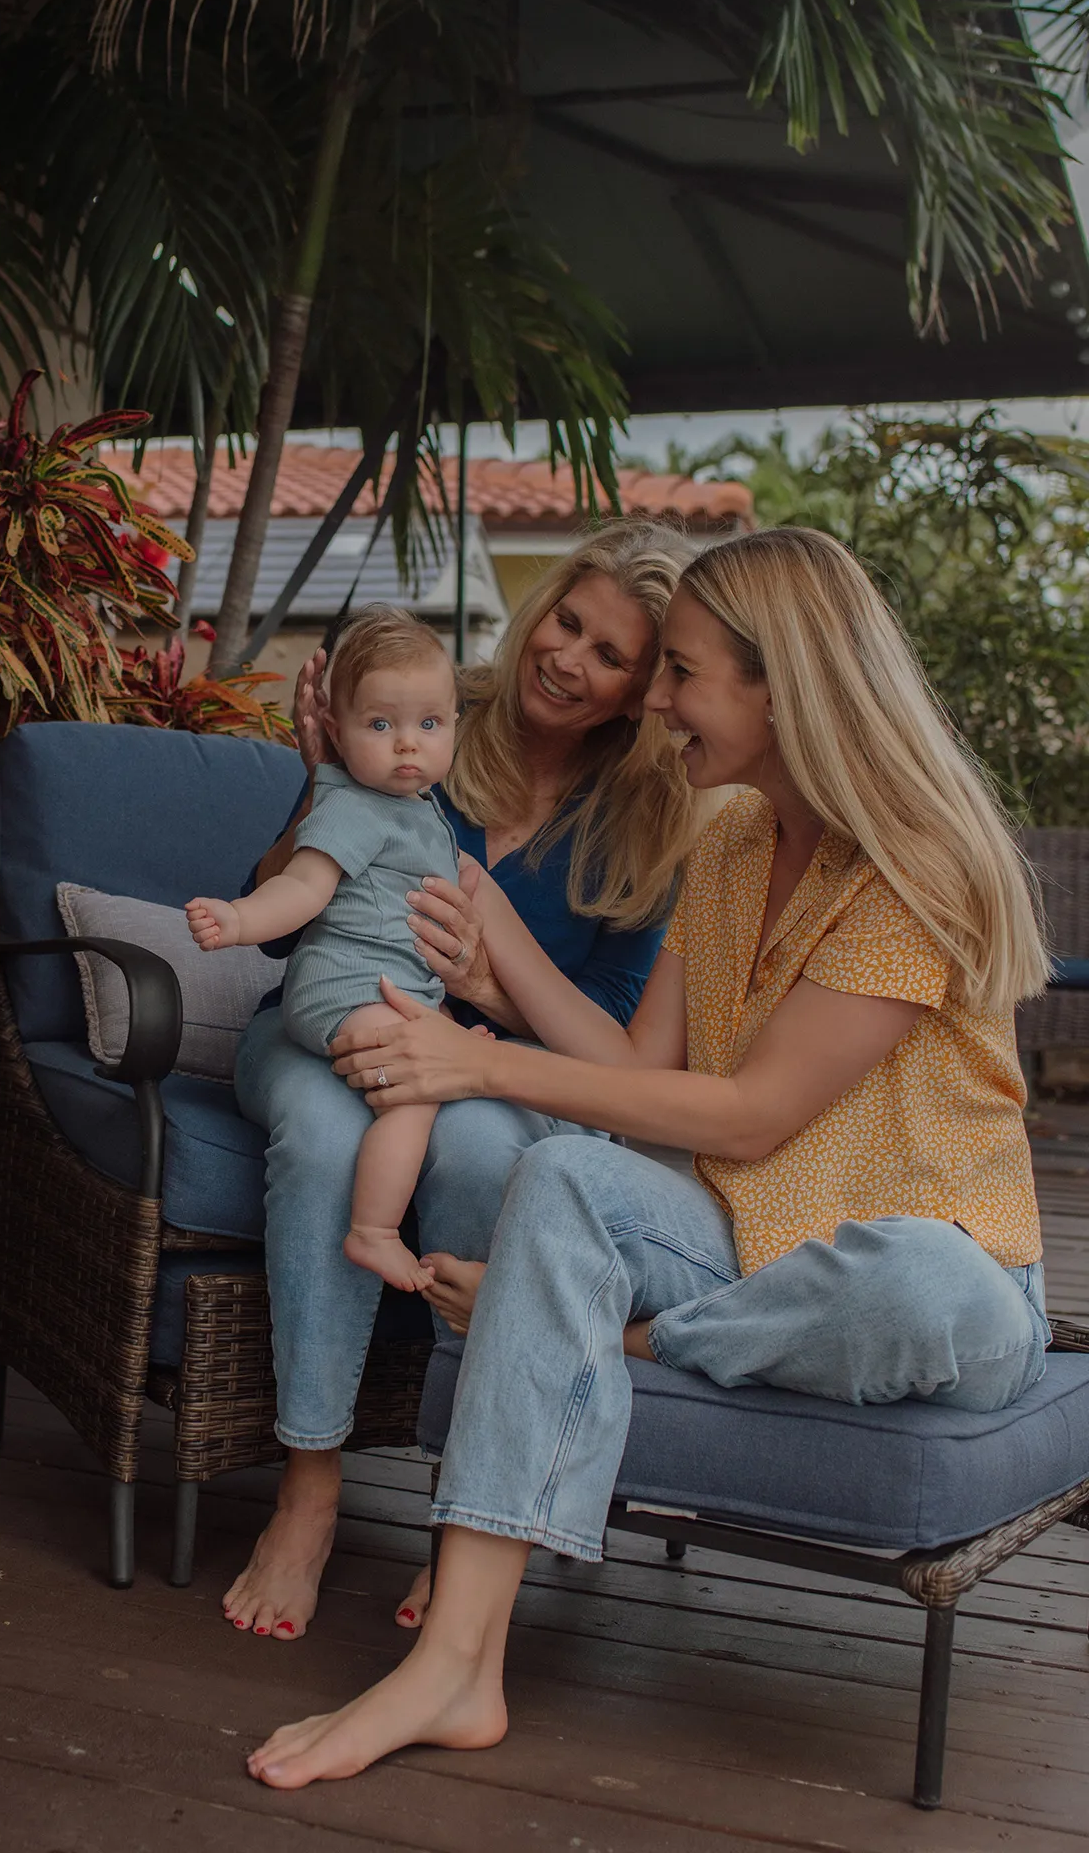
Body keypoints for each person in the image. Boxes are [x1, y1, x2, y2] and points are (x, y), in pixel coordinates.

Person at [246, 524, 1051, 1789]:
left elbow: (744, 1117)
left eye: (677, 672)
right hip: (740, 1243)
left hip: (928, 1273)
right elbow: (636, 1083)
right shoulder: (729, 841)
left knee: (922, 1281)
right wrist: (455, 917)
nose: (654, 702)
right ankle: (454, 1665)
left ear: (780, 686)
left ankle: (620, 1341)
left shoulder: (914, 870)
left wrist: (484, 1063)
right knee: (557, 1177)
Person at [225, 520, 707, 1640]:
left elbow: (618, 1052)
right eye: (564, 620)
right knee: (326, 1128)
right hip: (317, 1034)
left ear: (643, 689)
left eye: (608, 654)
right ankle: (307, 1491)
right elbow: (270, 923)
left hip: (485, 1074)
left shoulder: (647, 823)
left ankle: (469, 1521)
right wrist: (316, 787)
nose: (565, 657)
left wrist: (486, 989)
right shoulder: (422, 710)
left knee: (499, 1156)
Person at [187, 608, 461, 1292]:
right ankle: (372, 1231)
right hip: (341, 991)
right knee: (415, 1090)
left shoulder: (420, 809)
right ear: (335, 733)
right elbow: (304, 890)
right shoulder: (349, 807)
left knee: (450, 1051)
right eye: (380, 725)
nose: (407, 745)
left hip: (385, 989)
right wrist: (239, 918)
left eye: (429, 725)